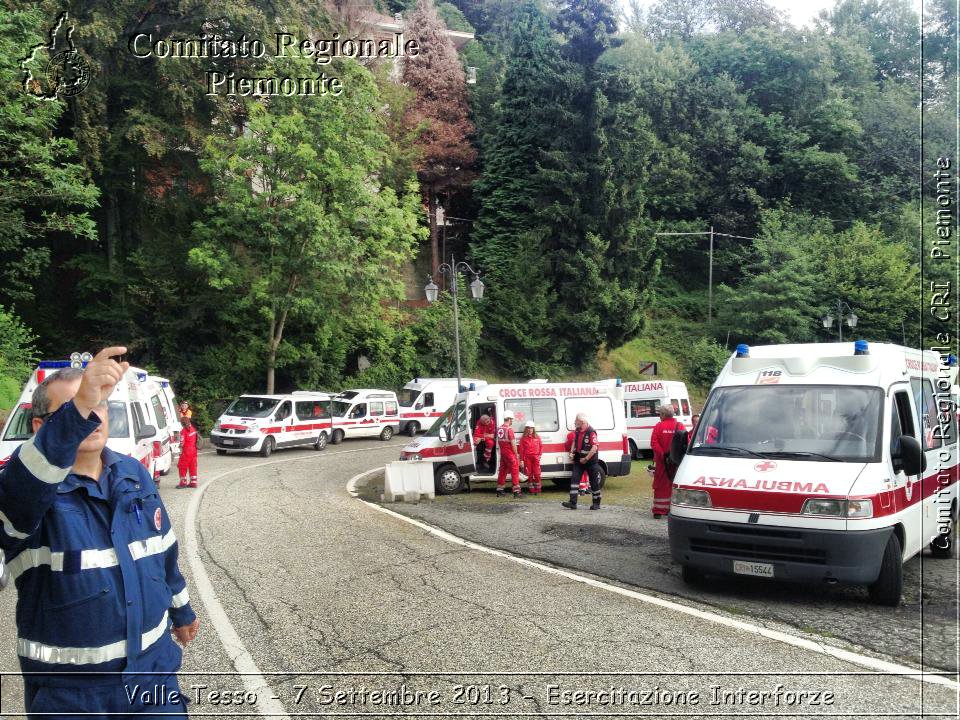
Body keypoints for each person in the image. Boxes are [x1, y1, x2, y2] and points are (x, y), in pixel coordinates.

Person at [0, 347, 199, 717]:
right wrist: (80, 405)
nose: (91, 417)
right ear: (42, 428)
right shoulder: (27, 491)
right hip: (71, 696)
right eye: (74, 411)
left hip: (153, 676)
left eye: (99, 406)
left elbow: (161, 550)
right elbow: (17, 494)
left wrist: (182, 610)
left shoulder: (133, 473)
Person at [562, 413, 602, 510]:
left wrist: (586, 458)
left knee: (594, 483)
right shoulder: (577, 430)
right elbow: (574, 442)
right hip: (578, 460)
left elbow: (594, 447)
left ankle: (596, 503)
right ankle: (573, 503)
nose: (575, 422)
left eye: (576, 421)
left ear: (582, 422)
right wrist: (572, 452)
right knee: (574, 481)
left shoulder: (591, 432)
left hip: (590, 461)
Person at [650, 403, 684, 518]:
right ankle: (672, 509)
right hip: (676, 462)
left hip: (662, 462)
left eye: (660, 413)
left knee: (660, 485)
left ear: (664, 414)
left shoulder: (658, 426)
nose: (659, 415)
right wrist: (673, 456)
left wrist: (663, 455)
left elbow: (654, 443)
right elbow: (685, 443)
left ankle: (658, 510)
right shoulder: (679, 426)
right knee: (674, 484)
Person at [495, 411, 521, 498]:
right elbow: (513, 444)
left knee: (502, 471)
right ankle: (516, 492)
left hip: (503, 454)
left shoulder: (499, 429)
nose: (512, 421)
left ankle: (500, 490)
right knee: (515, 472)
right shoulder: (509, 430)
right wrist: (516, 454)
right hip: (510, 454)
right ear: (509, 419)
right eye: (512, 419)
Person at [518, 421, 543, 495]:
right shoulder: (523, 438)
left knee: (537, 474)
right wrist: (521, 460)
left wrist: (539, 455)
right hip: (527, 458)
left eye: (531, 428)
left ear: (533, 429)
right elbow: (521, 450)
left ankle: (538, 489)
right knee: (529, 474)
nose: (530, 430)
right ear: (526, 429)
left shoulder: (537, 437)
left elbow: (541, 447)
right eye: (528, 428)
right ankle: (532, 490)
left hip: (535, 458)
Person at [177, 415, 199, 489]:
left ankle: (183, 482)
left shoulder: (183, 431)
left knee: (182, 467)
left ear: (182, 424)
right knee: (193, 466)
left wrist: (179, 447)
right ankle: (193, 482)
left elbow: (182, 443)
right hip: (194, 451)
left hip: (186, 451)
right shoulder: (193, 429)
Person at [565, 428, 589, 495]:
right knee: (585, 472)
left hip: (576, 455)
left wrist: (570, 454)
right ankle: (586, 487)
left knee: (579, 472)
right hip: (584, 455)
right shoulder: (586, 433)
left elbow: (567, 445)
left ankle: (582, 489)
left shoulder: (571, 434)